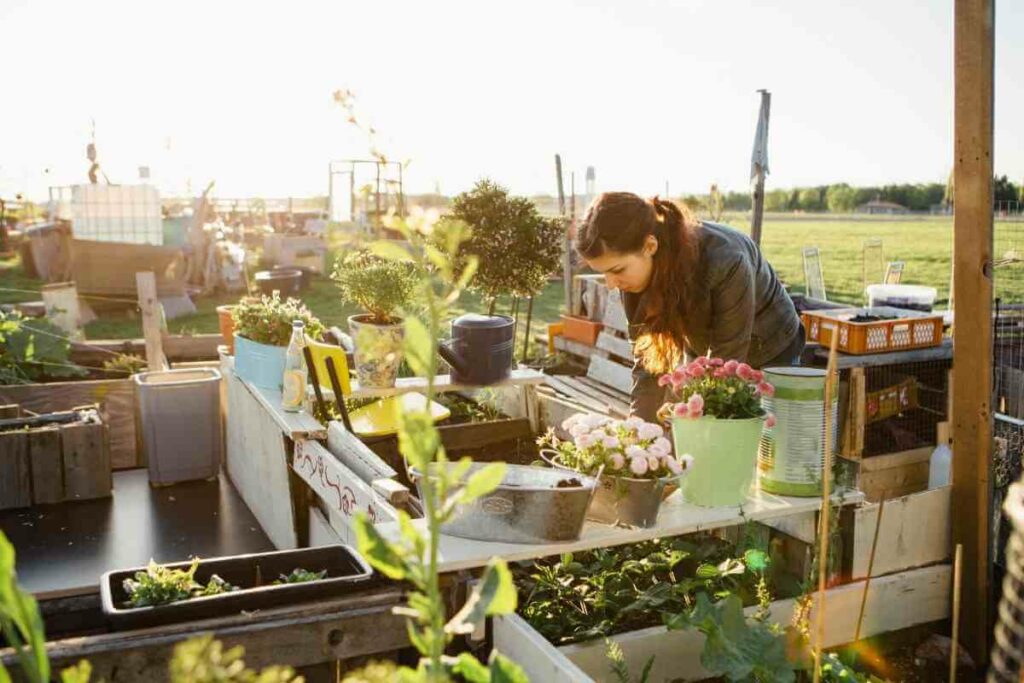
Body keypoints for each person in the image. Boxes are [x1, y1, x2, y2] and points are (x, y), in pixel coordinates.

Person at [577, 192, 804, 422]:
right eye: (603, 272)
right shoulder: (634, 280)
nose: (611, 284)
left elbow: (725, 363)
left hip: (770, 343)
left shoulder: (726, 260)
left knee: (764, 442)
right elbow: (648, 366)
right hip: (704, 342)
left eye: (617, 270)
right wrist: (639, 431)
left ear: (650, 246)